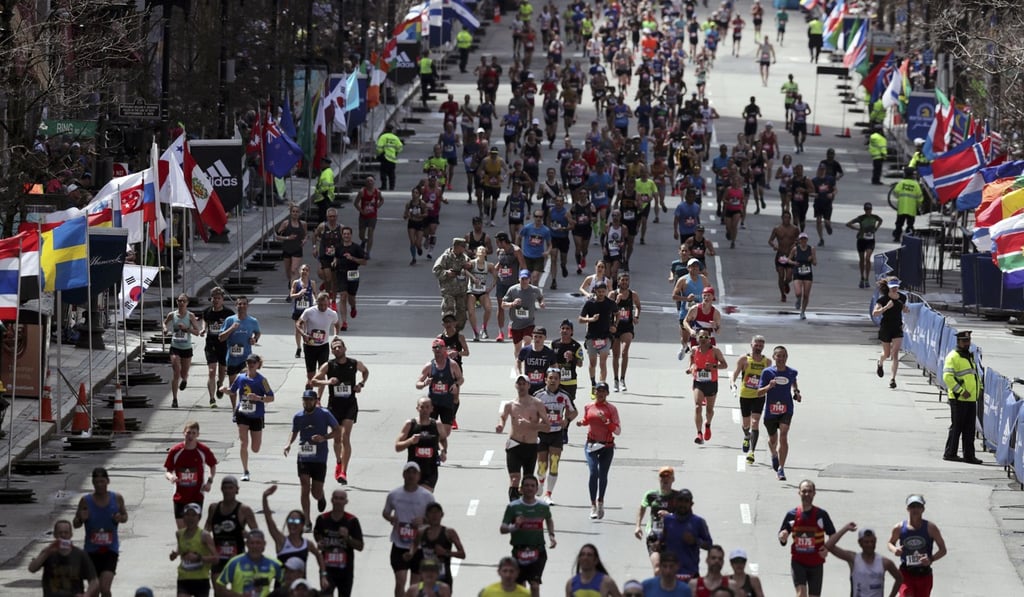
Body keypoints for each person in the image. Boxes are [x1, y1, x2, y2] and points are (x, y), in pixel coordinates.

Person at [310, 337, 369, 484]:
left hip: (350, 404)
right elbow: (314, 381)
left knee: (344, 437)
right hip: (334, 405)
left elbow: (366, 371)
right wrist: (327, 381)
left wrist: (361, 384)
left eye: (339, 347)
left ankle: (343, 471)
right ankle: (338, 461)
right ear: (332, 351)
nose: (337, 349)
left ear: (345, 349)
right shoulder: (328, 365)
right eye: (334, 348)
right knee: (336, 438)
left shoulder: (354, 363)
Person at [283, 389, 339, 522]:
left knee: (315, 492)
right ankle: (307, 520)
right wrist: (288, 444)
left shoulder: (324, 414)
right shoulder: (298, 416)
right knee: (304, 486)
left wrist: (324, 438)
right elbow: (294, 431)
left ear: (315, 401)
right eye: (305, 400)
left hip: (319, 457)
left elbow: (337, 431)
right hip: (304, 455)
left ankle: (321, 496)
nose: (307, 402)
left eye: (310, 400)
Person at [72, 467, 127, 597]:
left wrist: (120, 518)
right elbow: (75, 523)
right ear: (93, 483)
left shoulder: (117, 498)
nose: (99, 485)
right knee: (94, 591)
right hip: (91, 551)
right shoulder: (86, 501)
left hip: (110, 550)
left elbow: (125, 516)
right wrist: (80, 518)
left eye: (102, 481)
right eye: (96, 482)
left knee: (105, 588)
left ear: (108, 481)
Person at [383, 462, 436, 597]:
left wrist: (424, 520)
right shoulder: (394, 494)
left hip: (419, 546)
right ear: (403, 474)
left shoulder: (427, 496)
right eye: (408, 472)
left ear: (418, 476)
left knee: (414, 585)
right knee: (400, 581)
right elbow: (386, 512)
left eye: (414, 472)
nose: (411, 475)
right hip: (399, 544)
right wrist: (391, 518)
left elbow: (435, 518)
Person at [500, 475, 556, 597]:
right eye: (526, 485)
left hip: (538, 550)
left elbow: (549, 519)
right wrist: (514, 527)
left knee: (535, 585)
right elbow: (503, 529)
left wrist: (551, 536)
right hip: (519, 550)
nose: (529, 488)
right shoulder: (513, 507)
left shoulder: (543, 507)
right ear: (521, 489)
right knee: (520, 587)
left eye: (532, 486)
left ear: (537, 489)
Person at [222, 354, 275, 482]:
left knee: (255, 448)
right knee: (243, 443)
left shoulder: (262, 380)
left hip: (257, 416)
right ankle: (245, 471)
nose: (250, 365)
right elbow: (233, 391)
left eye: (253, 362)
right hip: (242, 414)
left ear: (258, 364)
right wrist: (224, 390)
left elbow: (271, 397)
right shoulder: (240, 378)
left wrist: (259, 398)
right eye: (249, 362)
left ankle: (248, 465)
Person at [778, 480, 836, 597]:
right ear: (799, 493)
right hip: (798, 562)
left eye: (809, 491)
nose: (806, 494)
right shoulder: (792, 514)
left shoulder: (821, 515)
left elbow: (832, 534)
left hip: (816, 563)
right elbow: (783, 534)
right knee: (801, 594)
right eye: (804, 491)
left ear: (814, 493)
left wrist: (827, 548)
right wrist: (783, 536)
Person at [497, 374, 550, 501]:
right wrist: (500, 425)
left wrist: (530, 425)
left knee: (527, 482)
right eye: (519, 384)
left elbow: (547, 427)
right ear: (516, 386)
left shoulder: (537, 404)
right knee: (515, 479)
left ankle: (525, 507)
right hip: (514, 445)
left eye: (524, 384)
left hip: (531, 446)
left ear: (528, 385)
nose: (521, 386)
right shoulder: (510, 405)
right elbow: (503, 417)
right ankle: (514, 507)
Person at [887, 494, 947, 597]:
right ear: (907, 509)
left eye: (918, 506)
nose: (915, 509)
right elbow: (890, 543)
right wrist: (894, 550)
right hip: (906, 573)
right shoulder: (899, 528)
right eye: (912, 506)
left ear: (923, 509)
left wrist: (931, 559)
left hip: (924, 574)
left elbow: (943, 549)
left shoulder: (931, 528)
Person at [576, 381, 620, 519]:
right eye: (598, 391)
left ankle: (601, 500)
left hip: (607, 446)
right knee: (593, 472)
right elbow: (587, 420)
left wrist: (607, 421)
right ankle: (593, 505)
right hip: (591, 445)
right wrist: (581, 422)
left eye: (603, 391)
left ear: (607, 393)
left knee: (603, 475)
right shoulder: (589, 406)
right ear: (594, 392)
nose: (600, 394)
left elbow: (618, 430)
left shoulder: (611, 409)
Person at [757, 345, 801, 481]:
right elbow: (759, 393)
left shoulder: (792, 372)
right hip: (771, 410)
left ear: (786, 357)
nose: (781, 359)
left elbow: (793, 382)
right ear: (774, 357)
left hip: (786, 408)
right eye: (778, 356)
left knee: (783, 435)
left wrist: (796, 392)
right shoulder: (767, 373)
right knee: (773, 440)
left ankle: (781, 468)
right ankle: (774, 455)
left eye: (783, 356)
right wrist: (769, 386)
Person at [165, 420, 219, 529]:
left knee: (192, 528)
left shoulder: (203, 450)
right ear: (183, 433)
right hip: (180, 495)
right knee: (181, 529)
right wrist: (171, 477)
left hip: (196, 495)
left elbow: (212, 465)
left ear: (198, 435)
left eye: (194, 433)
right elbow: (168, 471)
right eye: (188, 432)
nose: (190, 436)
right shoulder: (175, 451)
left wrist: (209, 481)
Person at [533, 368, 576, 503]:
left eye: (556, 378)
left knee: (554, 463)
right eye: (550, 378)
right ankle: (540, 484)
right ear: (546, 379)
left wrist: (567, 421)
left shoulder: (564, 395)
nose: (553, 381)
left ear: (559, 380)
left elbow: (573, 412)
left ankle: (548, 494)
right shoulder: (538, 395)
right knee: (542, 465)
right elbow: (530, 411)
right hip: (542, 433)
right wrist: (537, 421)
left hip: (557, 433)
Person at [205, 476, 259, 581]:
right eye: (225, 487)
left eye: (231, 488)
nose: (227, 491)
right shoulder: (214, 508)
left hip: (237, 557)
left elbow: (257, 534)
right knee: (218, 589)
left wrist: (248, 535)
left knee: (237, 590)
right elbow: (207, 528)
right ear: (221, 489)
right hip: (218, 556)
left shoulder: (244, 510)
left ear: (237, 490)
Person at [941, 330, 983, 464]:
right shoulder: (953, 356)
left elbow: (974, 376)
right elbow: (947, 377)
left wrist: (979, 389)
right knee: (957, 427)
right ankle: (950, 453)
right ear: (958, 342)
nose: (967, 343)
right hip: (959, 398)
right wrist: (960, 391)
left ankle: (969, 456)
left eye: (968, 341)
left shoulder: (968, 356)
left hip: (971, 399)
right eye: (964, 341)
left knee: (969, 429)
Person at [416, 338, 464, 456]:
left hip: (447, 402)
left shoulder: (452, 365)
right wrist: (424, 383)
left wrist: (455, 384)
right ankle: (435, 449)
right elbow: (418, 383)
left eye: (439, 347)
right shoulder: (429, 366)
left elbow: (461, 378)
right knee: (430, 429)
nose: (437, 350)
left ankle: (438, 444)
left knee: (446, 432)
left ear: (444, 349)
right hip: (432, 404)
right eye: (435, 348)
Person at [825, 524, 902, 597]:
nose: (870, 545)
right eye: (866, 542)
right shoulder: (853, 559)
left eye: (872, 541)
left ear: (875, 541)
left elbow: (899, 578)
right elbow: (829, 546)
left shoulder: (885, 562)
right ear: (860, 543)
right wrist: (846, 528)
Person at [27, 519, 99, 597]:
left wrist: (86, 595)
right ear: (55, 535)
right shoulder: (48, 552)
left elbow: (94, 580)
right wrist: (47, 552)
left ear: (71, 534)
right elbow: (32, 568)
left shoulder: (80, 554)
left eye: (66, 532)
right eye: (60, 533)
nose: (63, 535)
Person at [261, 485, 324, 573]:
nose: (293, 523)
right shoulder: (281, 541)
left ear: (303, 525)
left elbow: (318, 555)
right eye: (290, 520)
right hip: (282, 586)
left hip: (300, 586)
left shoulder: (307, 544)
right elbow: (269, 521)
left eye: (297, 521)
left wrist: (323, 574)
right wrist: (264, 498)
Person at [314, 489, 364, 597]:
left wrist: (348, 538)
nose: (338, 501)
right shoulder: (322, 519)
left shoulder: (352, 521)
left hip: (345, 571)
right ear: (331, 500)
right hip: (327, 570)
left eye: (341, 499)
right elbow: (317, 535)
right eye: (336, 498)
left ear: (346, 502)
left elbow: (360, 546)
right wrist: (320, 543)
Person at [406, 503, 466, 591]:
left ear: (442, 515)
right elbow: (414, 544)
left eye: (437, 512)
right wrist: (410, 553)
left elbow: (462, 554)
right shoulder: (421, 532)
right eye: (431, 513)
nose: (434, 516)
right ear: (426, 516)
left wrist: (445, 552)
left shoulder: (449, 532)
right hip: (425, 576)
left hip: (443, 576)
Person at [395, 397, 449, 491]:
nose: (424, 410)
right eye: (422, 407)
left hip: (430, 470)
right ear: (417, 408)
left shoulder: (437, 425)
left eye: (427, 407)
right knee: (414, 499)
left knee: (423, 497)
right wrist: (410, 441)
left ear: (432, 409)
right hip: (413, 470)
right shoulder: (410, 424)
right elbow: (397, 447)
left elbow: (443, 439)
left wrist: (443, 451)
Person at [731, 335, 769, 463]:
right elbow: (735, 373)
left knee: (755, 422)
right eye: (756, 345)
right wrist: (732, 383)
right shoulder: (744, 359)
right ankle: (747, 435)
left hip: (759, 395)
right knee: (746, 424)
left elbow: (770, 377)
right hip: (745, 395)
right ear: (751, 345)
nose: (758, 347)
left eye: (760, 345)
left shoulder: (767, 362)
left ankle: (752, 452)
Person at [218, 295, 261, 406]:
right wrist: (232, 328)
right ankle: (234, 409)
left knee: (245, 382)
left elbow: (257, 332)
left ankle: (245, 406)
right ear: (236, 305)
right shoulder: (230, 320)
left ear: (247, 306)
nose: (242, 306)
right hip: (232, 359)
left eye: (244, 304)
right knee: (233, 386)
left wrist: (255, 339)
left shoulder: (252, 321)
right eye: (239, 304)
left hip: (246, 358)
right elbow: (221, 337)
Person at [661, 490, 714, 580]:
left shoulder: (698, 522)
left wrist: (695, 541)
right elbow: (662, 542)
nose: (683, 504)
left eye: (686, 501)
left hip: (690, 574)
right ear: (675, 502)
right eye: (680, 500)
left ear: (691, 504)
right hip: (670, 574)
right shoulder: (667, 520)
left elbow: (709, 545)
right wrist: (658, 544)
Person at [215, 530, 284, 597]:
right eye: (252, 543)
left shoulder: (275, 564)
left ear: (264, 544)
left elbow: (289, 584)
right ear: (246, 544)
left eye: (258, 543)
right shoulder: (234, 562)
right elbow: (219, 587)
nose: (255, 546)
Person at [635, 467, 679, 572]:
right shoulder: (651, 495)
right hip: (654, 535)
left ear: (673, 479)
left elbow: (684, 516)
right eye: (662, 476)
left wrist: (670, 515)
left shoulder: (677, 497)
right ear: (659, 479)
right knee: (658, 568)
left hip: (672, 536)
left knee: (671, 569)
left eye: (668, 477)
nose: (665, 479)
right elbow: (642, 508)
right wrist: (638, 526)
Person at [171, 502, 218, 597]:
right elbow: (182, 550)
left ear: (199, 517)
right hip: (183, 578)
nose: (190, 518)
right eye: (187, 515)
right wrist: (175, 554)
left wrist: (199, 558)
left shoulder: (205, 535)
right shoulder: (179, 534)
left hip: (200, 579)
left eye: (193, 515)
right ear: (183, 517)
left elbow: (216, 558)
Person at [296, 292, 340, 392]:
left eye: (325, 305)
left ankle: (318, 399)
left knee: (321, 375)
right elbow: (298, 323)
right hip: (310, 346)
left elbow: (337, 324)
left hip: (323, 346)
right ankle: (309, 396)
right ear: (317, 302)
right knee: (311, 377)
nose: (323, 307)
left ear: (328, 303)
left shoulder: (332, 314)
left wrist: (336, 335)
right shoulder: (309, 312)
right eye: (321, 305)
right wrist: (303, 334)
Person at [579, 282, 618, 393]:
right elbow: (580, 319)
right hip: (592, 337)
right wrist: (590, 319)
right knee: (592, 363)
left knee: (603, 362)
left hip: (605, 336)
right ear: (595, 291)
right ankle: (593, 384)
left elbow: (617, 313)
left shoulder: (610, 303)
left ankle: (601, 386)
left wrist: (615, 325)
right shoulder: (589, 303)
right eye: (599, 292)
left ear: (606, 291)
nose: (601, 294)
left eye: (603, 291)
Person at [164, 293, 201, 408]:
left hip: (186, 348)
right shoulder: (172, 314)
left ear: (187, 303)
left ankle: (184, 379)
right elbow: (164, 323)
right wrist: (165, 329)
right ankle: (175, 399)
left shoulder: (190, 316)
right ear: (176, 302)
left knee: (184, 373)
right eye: (179, 301)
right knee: (176, 370)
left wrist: (187, 329)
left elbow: (197, 332)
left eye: (183, 301)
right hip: (175, 346)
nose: (181, 303)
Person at [873, 278, 909, 389]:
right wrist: (886, 307)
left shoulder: (903, 297)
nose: (894, 289)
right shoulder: (883, 299)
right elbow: (875, 313)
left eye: (896, 287)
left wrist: (905, 309)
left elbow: (902, 308)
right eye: (892, 287)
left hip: (897, 327)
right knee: (887, 354)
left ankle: (892, 379)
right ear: (888, 287)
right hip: (886, 328)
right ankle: (880, 362)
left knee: (895, 354)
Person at [201, 287, 234, 408]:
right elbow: (205, 320)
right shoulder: (207, 311)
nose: (216, 300)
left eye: (218, 298)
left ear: (222, 300)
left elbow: (233, 325)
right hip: (210, 343)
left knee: (221, 370)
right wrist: (204, 329)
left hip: (224, 344)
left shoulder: (228, 313)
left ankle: (220, 383)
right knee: (211, 371)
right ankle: (211, 398)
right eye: (214, 298)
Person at [501, 269, 546, 359]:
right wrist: (512, 303)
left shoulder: (534, 290)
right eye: (522, 279)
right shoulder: (513, 290)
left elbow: (541, 298)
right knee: (517, 348)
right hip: (516, 324)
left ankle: (526, 362)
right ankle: (518, 363)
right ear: (519, 279)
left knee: (527, 341)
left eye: (526, 279)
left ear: (529, 279)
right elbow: (503, 304)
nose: (524, 281)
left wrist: (542, 303)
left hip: (529, 322)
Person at [610, 272, 640, 392]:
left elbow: (638, 306)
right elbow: (608, 309)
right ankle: (616, 380)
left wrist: (636, 316)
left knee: (625, 351)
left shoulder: (633, 294)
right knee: (616, 355)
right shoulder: (613, 294)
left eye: (626, 280)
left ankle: (623, 379)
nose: (625, 282)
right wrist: (616, 302)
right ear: (618, 281)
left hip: (627, 326)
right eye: (622, 280)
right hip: (615, 326)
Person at [335, 226, 368, 330]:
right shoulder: (338, 247)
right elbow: (335, 257)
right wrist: (334, 261)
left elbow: (364, 262)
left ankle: (353, 307)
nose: (346, 236)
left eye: (348, 234)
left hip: (353, 273)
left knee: (351, 298)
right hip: (341, 274)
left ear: (351, 235)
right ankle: (344, 322)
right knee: (343, 296)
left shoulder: (357, 248)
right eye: (344, 234)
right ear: (342, 235)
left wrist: (352, 258)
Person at [848, 203, 884, 288]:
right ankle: (862, 277)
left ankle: (867, 279)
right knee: (861, 260)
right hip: (861, 240)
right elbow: (848, 224)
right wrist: (858, 229)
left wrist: (876, 228)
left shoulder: (875, 217)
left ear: (871, 209)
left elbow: (881, 220)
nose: (868, 211)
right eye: (867, 210)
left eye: (869, 209)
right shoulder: (861, 218)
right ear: (864, 210)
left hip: (870, 241)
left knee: (868, 258)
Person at [314, 208, 343, 309]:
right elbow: (315, 235)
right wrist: (315, 247)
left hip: (335, 256)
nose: (332, 218)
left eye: (334, 216)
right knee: (328, 278)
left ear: (336, 217)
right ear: (327, 217)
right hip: (325, 256)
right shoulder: (322, 226)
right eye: (330, 216)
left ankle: (333, 300)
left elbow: (344, 241)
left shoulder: (340, 228)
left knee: (334, 280)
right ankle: (327, 296)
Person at [467, 245, 497, 340]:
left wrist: (490, 288)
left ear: (486, 253)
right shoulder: (471, 263)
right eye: (480, 250)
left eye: (484, 250)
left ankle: (484, 328)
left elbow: (496, 277)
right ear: (476, 252)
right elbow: (464, 270)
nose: (482, 251)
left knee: (488, 309)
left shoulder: (489, 265)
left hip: (482, 291)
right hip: (472, 290)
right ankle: (475, 332)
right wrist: (472, 277)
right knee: (471, 312)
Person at [518, 327, 558, 394]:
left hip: (543, 388)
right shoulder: (525, 350)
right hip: (528, 386)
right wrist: (519, 374)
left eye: (540, 337)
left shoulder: (549, 352)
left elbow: (554, 366)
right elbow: (518, 361)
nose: (537, 339)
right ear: (532, 337)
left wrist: (552, 380)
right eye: (535, 336)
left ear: (545, 338)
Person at [768, 212, 798, 302]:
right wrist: (774, 245)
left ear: (790, 218)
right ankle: (782, 295)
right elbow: (770, 240)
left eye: (788, 217)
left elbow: (799, 240)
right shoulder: (777, 229)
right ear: (782, 218)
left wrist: (795, 244)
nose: (786, 219)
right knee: (780, 275)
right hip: (780, 255)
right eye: (785, 217)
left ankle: (785, 284)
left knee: (789, 276)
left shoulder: (795, 229)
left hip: (790, 256)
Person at [275, 204, 307, 288]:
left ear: (299, 213)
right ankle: (291, 282)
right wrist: (287, 237)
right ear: (290, 213)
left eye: (297, 212)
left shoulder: (303, 224)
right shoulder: (286, 223)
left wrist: (304, 240)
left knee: (294, 270)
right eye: (293, 212)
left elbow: (306, 235)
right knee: (288, 271)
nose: (295, 213)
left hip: (297, 249)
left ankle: (292, 292)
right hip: (287, 249)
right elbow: (277, 236)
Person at [789, 233, 816, 320]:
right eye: (802, 239)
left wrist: (811, 259)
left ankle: (803, 312)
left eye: (805, 239)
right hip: (797, 272)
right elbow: (788, 259)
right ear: (799, 240)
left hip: (808, 273)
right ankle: (798, 299)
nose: (803, 241)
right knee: (798, 292)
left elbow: (815, 263)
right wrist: (794, 263)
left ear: (807, 240)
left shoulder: (811, 249)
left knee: (806, 295)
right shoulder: (795, 249)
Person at [892, 168, 923, 242]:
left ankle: (897, 237)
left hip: (902, 208)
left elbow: (895, 192)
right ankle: (909, 239)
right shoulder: (915, 185)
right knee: (910, 225)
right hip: (911, 209)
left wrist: (900, 197)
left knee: (899, 224)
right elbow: (920, 198)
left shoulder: (901, 183)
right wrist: (918, 206)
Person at [377, 125, 405, 191]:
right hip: (392, 158)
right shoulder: (395, 138)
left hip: (384, 157)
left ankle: (384, 186)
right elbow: (400, 147)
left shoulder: (383, 137)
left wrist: (380, 153)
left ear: (385, 129)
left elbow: (379, 147)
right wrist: (395, 152)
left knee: (383, 173)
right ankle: (391, 187)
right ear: (392, 130)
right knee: (391, 173)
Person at [315, 158, 336, 223]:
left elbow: (325, 186)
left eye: (322, 163)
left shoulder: (326, 172)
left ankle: (322, 230)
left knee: (323, 216)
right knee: (323, 216)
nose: (321, 165)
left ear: (327, 164)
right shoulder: (326, 171)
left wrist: (320, 191)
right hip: (325, 197)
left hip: (324, 197)